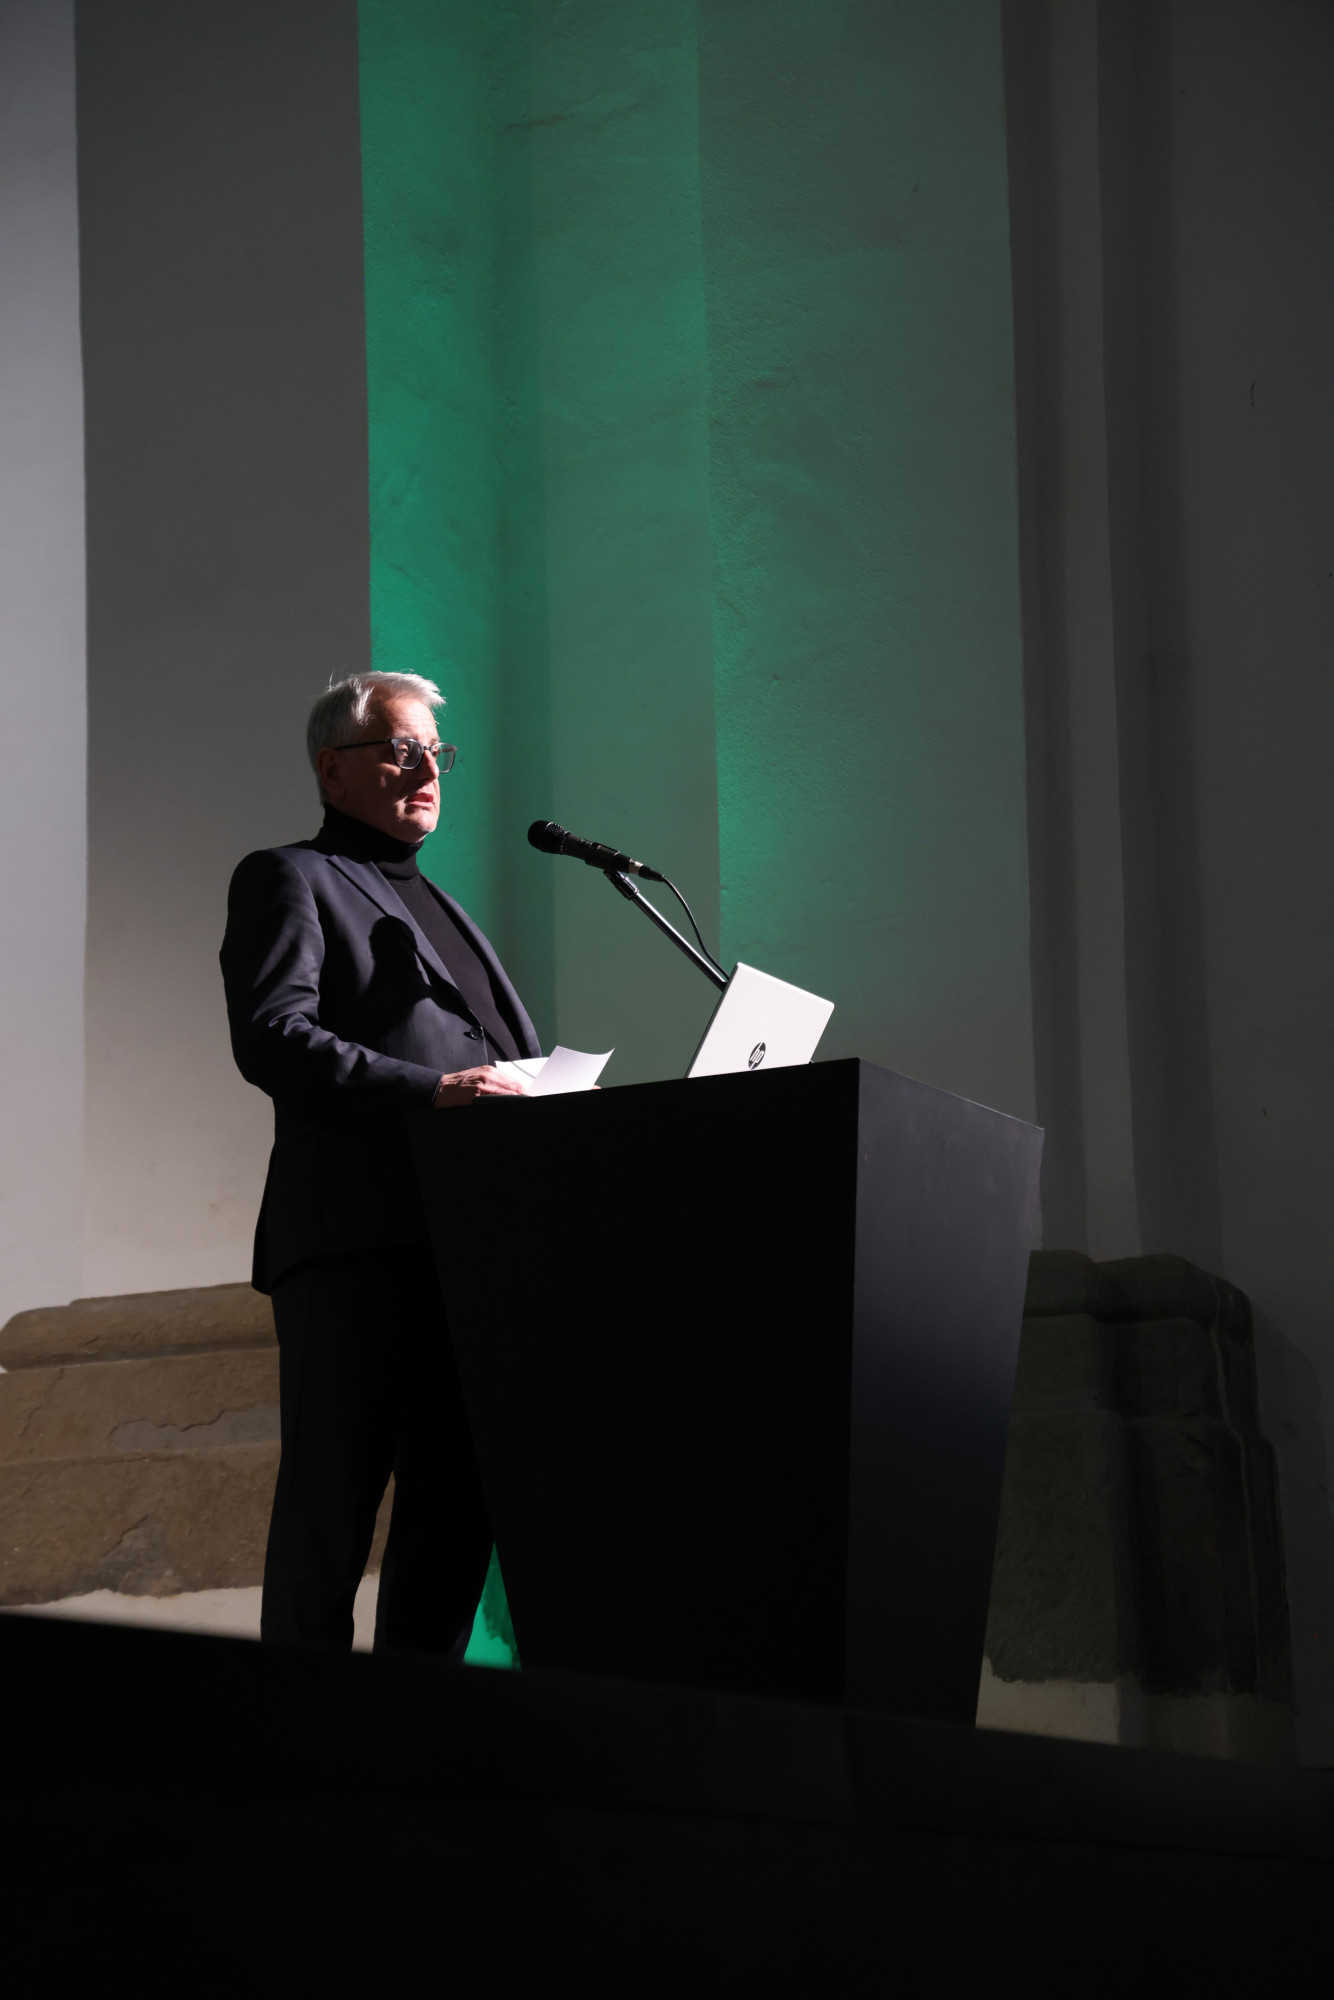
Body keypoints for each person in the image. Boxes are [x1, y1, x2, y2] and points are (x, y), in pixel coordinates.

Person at [220, 671, 538, 1657]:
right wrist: (431, 1091)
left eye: (434, 753)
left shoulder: (441, 908)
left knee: (454, 1515)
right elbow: (273, 1036)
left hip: (467, 1253)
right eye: (400, 750)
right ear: (333, 769)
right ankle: (299, 1735)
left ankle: (415, 1732)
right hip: (356, 1245)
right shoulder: (291, 876)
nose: (424, 770)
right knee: (331, 1511)